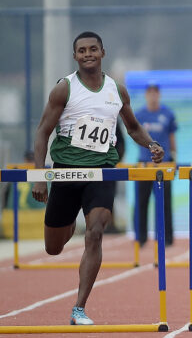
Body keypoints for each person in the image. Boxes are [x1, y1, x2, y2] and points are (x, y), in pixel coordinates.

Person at [31, 31, 165, 326]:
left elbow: (132, 127)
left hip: (102, 170)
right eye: (82, 50)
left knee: (95, 232)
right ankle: (67, 225)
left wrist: (152, 144)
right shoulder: (64, 89)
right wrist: (40, 177)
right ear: (75, 56)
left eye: (93, 49)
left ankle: (79, 308)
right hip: (67, 170)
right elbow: (42, 132)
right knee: (53, 247)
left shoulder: (117, 90)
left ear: (103, 52)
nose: (88, 54)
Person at [133, 82, 177, 246]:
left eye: (155, 93)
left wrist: (173, 156)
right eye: (149, 93)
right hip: (144, 164)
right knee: (141, 202)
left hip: (163, 165)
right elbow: (135, 134)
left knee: (165, 203)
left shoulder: (167, 114)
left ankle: (167, 238)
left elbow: (172, 137)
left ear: (158, 95)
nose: (152, 96)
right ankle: (140, 237)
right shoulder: (139, 115)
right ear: (146, 95)